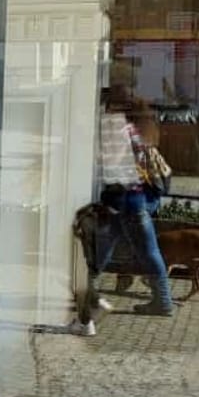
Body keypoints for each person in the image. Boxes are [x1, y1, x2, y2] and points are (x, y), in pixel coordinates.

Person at [75, 101, 174, 332]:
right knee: (130, 250)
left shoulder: (117, 133)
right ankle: (162, 300)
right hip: (136, 200)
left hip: (123, 201)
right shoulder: (135, 132)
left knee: (105, 250)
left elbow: (112, 167)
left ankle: (161, 301)